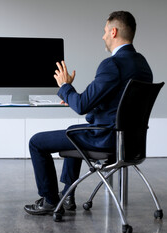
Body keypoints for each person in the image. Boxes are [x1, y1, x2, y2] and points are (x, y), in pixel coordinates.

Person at [24, 11, 153, 215]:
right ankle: (67, 194)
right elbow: (115, 102)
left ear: (113, 31)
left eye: (104, 32)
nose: (103, 36)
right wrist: (73, 96)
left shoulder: (112, 64)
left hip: (106, 140)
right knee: (74, 130)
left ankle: (50, 200)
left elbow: (82, 105)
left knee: (36, 142)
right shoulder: (142, 64)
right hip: (131, 142)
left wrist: (65, 87)